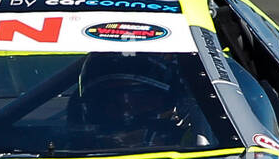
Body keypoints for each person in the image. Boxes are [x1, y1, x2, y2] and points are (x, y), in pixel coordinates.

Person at [71, 52, 199, 149]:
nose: (126, 114)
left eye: (140, 101)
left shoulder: (200, 144)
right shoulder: (62, 152)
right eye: (109, 102)